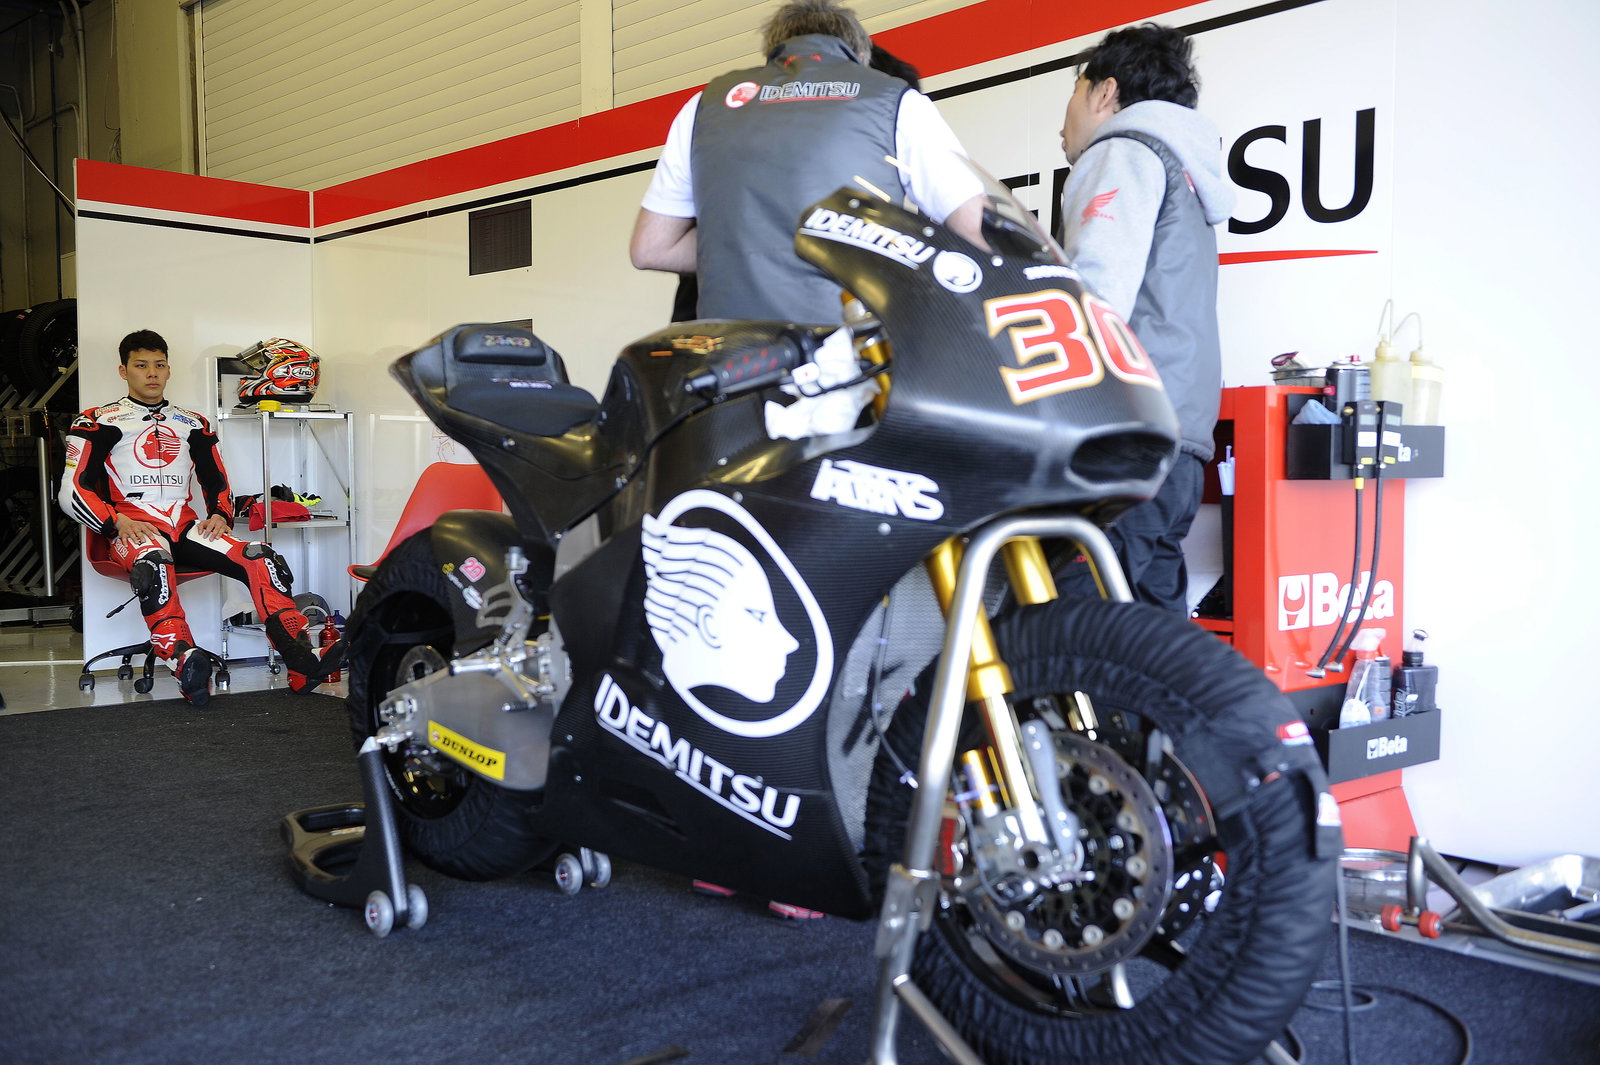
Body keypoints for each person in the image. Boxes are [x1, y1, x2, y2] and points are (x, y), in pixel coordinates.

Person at [632, 0, 984, 324]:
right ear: (861, 55)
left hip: (734, 361)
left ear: (772, 53)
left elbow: (650, 248)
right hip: (851, 350)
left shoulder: (704, 105)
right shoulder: (894, 97)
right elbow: (975, 224)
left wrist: (750, 250)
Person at [59, 329, 345, 705]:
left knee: (261, 556)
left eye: (159, 365)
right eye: (141, 365)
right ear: (123, 370)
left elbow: (217, 481)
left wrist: (221, 516)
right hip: (134, 527)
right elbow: (71, 491)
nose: (151, 373)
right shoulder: (96, 420)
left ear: (169, 370)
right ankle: (183, 659)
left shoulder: (193, 422)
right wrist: (116, 522)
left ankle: (299, 659)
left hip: (185, 527)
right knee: (153, 560)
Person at [1055, 22, 1234, 614]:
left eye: (1072, 99)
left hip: (1123, 436)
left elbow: (1095, 296)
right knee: (1155, 643)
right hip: (1180, 440)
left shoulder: (1123, 150)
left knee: (1086, 632)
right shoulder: (1184, 168)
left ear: (1105, 94)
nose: (1064, 125)